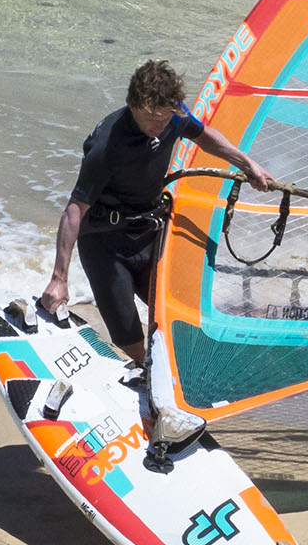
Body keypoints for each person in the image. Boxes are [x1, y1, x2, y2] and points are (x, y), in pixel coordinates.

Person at [40, 59, 272, 365]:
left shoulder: (173, 114)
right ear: (133, 105)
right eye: (153, 120)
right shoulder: (107, 145)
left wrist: (247, 163)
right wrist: (59, 278)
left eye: (165, 119)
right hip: (106, 245)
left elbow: (203, 136)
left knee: (176, 314)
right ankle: (145, 376)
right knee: (130, 338)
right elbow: (74, 209)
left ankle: (185, 372)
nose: (160, 127)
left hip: (149, 234)